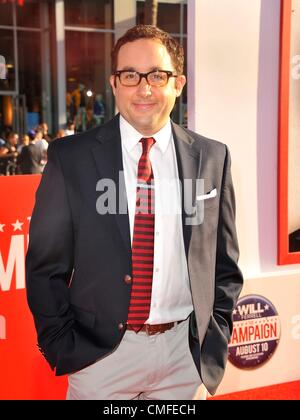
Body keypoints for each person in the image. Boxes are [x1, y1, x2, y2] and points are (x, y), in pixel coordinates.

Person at [26, 25, 243, 400]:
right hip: (100, 359)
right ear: (114, 84)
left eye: (157, 75)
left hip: (183, 357)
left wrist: (215, 334)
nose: (144, 88)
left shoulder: (212, 157)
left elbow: (225, 264)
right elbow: (45, 267)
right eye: (130, 75)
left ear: (178, 83)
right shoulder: (70, 159)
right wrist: (62, 344)